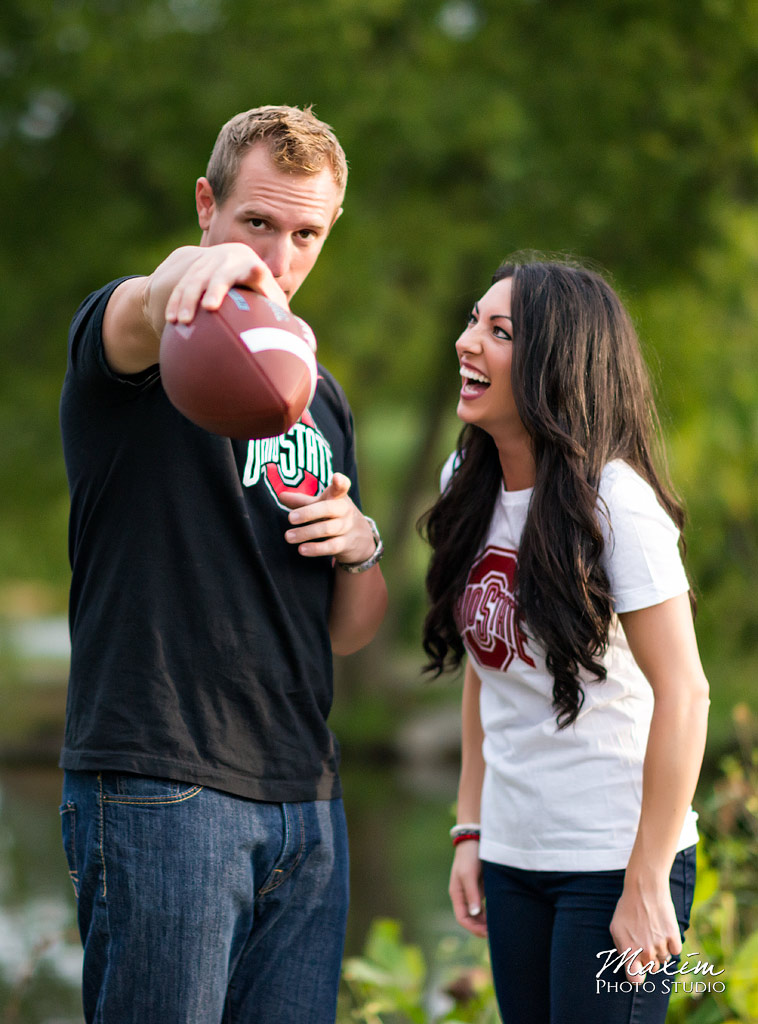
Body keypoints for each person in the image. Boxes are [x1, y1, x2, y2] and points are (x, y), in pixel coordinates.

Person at [59, 105, 388, 1024]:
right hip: (165, 782)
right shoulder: (140, 343)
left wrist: (363, 546)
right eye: (256, 223)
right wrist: (181, 279)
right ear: (206, 205)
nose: (279, 256)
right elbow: (139, 308)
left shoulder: (318, 393)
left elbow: (348, 633)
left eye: (306, 233)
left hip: (306, 801)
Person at [420, 256, 710, 1023]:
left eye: (499, 331)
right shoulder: (468, 481)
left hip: (613, 861)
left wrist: (646, 879)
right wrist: (470, 826)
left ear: (556, 361)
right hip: (514, 857)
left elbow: (685, 692)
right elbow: (490, 662)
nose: (466, 342)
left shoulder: (616, 503)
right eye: (472, 321)